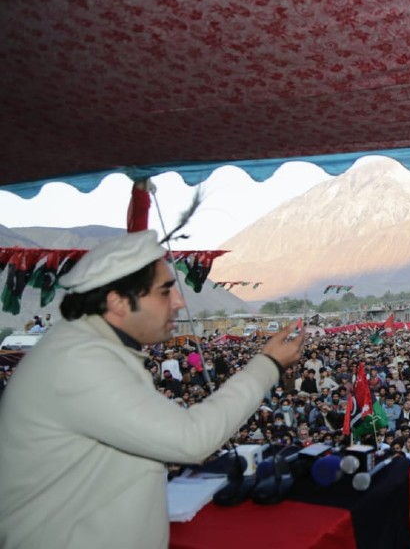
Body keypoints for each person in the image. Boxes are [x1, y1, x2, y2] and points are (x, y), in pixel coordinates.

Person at [0, 231, 305, 549]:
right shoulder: (77, 362)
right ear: (118, 302)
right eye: (165, 292)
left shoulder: (93, 347)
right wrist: (267, 365)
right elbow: (191, 439)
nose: (180, 302)